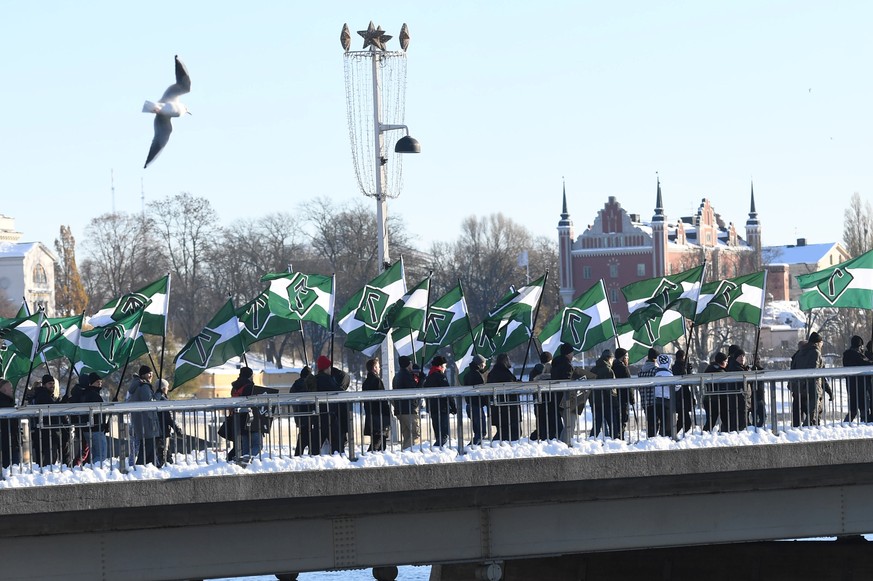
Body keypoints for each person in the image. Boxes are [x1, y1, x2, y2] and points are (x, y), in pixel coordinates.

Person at [792, 332, 831, 426]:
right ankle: (808, 435)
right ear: (818, 343)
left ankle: (797, 432)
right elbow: (817, 373)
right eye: (822, 343)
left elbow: (793, 368)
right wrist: (829, 391)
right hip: (813, 389)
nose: (822, 345)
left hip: (799, 389)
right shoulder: (815, 352)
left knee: (804, 416)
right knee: (813, 417)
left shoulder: (799, 353)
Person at [127, 365, 161, 467]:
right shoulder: (144, 386)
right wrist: (158, 394)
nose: (151, 376)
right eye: (149, 373)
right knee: (147, 447)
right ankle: (140, 468)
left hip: (142, 422)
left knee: (148, 448)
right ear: (143, 375)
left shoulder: (137, 385)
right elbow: (150, 402)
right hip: (147, 422)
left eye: (152, 373)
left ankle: (153, 467)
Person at [310, 356, 342, 454]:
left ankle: (311, 460)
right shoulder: (327, 379)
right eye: (329, 367)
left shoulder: (315, 379)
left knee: (316, 442)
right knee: (336, 442)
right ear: (326, 368)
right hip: (328, 415)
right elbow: (337, 391)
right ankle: (338, 458)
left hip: (317, 415)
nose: (330, 369)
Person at [30, 374, 62, 465]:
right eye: (49, 383)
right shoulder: (43, 395)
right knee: (49, 458)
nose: (52, 385)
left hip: (46, 431)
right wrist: (60, 403)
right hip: (46, 432)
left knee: (47, 457)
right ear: (44, 385)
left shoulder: (44, 394)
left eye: (53, 383)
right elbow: (51, 408)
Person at [488, 352, 520, 442]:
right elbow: (509, 385)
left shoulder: (493, 372)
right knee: (510, 433)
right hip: (508, 408)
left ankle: (498, 446)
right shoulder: (504, 373)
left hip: (498, 407)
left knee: (502, 431)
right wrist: (517, 385)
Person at [361, 358, 391, 452]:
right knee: (377, 444)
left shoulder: (366, 382)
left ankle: (377, 461)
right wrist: (387, 413)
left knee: (380, 443)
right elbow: (382, 400)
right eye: (378, 366)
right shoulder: (377, 381)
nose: (380, 368)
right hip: (380, 417)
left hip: (371, 416)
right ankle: (366, 461)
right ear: (374, 368)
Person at [392, 356, 422, 450]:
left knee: (407, 435)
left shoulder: (396, 376)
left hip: (399, 409)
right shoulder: (407, 376)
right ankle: (406, 452)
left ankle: (405, 453)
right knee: (415, 434)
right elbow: (415, 391)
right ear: (408, 364)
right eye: (410, 363)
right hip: (409, 409)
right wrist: (421, 380)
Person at [590, 350, 620, 439]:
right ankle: (615, 441)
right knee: (612, 424)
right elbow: (611, 389)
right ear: (609, 358)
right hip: (607, 402)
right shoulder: (608, 370)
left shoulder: (593, 369)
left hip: (595, 401)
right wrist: (615, 402)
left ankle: (591, 440)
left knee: (597, 424)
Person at [424, 356, 454, 447]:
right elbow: (447, 392)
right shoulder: (440, 376)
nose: (445, 368)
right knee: (444, 436)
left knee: (438, 434)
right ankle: (435, 449)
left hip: (433, 408)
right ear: (440, 366)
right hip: (442, 408)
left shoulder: (429, 376)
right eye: (445, 365)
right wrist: (453, 406)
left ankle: (438, 451)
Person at [81, 373, 109, 466]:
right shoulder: (94, 395)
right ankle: (96, 470)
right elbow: (100, 411)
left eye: (100, 382)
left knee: (95, 453)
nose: (100, 384)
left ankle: (92, 469)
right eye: (97, 382)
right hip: (96, 428)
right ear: (91, 383)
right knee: (101, 455)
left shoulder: (85, 394)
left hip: (89, 428)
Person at [842, 335, 871, 423]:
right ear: (859, 346)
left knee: (853, 409)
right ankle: (864, 424)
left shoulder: (846, 355)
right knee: (863, 408)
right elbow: (867, 363)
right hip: (861, 385)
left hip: (850, 385)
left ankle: (846, 424)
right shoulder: (858, 356)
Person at [463, 354, 489, 446]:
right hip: (476, 405)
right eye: (484, 364)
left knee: (477, 431)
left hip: (469, 405)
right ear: (480, 364)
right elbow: (482, 392)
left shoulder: (467, 375)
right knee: (481, 432)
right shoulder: (478, 375)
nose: (485, 365)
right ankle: (470, 448)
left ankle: (475, 448)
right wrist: (488, 402)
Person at [724, 348, 751, 432]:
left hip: (743, 397)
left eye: (743, 356)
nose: (742, 358)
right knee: (740, 419)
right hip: (739, 397)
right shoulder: (735, 367)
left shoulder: (742, 367)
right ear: (735, 358)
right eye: (739, 356)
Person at [155, 379, 181, 465]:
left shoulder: (156, 398)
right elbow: (169, 417)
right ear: (163, 388)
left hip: (158, 428)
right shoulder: (163, 399)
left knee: (161, 449)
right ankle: (165, 465)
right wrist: (176, 428)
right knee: (164, 450)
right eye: (167, 387)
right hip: (164, 428)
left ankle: (164, 463)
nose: (168, 389)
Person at [613, 348, 635, 440]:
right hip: (623, 398)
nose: (628, 359)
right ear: (623, 358)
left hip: (614, 397)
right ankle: (620, 438)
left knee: (616, 420)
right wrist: (632, 399)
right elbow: (629, 385)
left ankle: (617, 438)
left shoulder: (612, 367)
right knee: (622, 420)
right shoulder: (624, 369)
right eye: (627, 357)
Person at [652, 354, 676, 437]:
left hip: (657, 399)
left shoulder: (656, 373)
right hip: (666, 400)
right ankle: (665, 437)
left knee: (660, 421)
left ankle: (659, 437)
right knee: (667, 423)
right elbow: (677, 386)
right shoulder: (669, 374)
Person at [703, 352, 728, 431]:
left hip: (710, 398)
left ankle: (705, 435)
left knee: (711, 421)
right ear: (722, 361)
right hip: (716, 398)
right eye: (726, 361)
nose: (727, 363)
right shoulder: (719, 371)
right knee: (722, 419)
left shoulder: (711, 367)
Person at [290, 366, 312, 456]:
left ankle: (298, 455)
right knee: (312, 438)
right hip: (311, 415)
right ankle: (312, 456)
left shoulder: (295, 385)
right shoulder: (309, 384)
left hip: (300, 416)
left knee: (302, 437)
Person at [637, 348, 660, 437]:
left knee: (650, 422)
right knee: (655, 423)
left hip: (644, 401)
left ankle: (650, 438)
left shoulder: (641, 371)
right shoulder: (655, 370)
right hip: (654, 401)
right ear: (655, 359)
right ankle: (652, 439)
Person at [672, 349, 695, 434]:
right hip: (683, 396)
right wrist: (688, 370)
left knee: (682, 420)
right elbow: (688, 379)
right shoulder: (682, 367)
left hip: (679, 396)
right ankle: (674, 435)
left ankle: (674, 435)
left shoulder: (674, 367)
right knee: (686, 422)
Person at [0, 379, 21, 468]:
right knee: (11, 466)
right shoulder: (5, 402)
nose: (12, 390)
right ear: (4, 390)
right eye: (10, 388)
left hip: (9, 438)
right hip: (7, 439)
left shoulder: (8, 401)